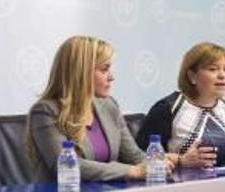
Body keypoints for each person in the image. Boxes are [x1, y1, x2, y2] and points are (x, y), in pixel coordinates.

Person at [25, 35, 172, 181]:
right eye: (104, 69)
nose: (111, 77)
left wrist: (155, 164)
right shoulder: (45, 112)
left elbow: (133, 155)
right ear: (81, 73)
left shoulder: (109, 106)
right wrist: (131, 171)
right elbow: (66, 166)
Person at [136, 42, 225, 168]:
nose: (222, 75)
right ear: (192, 76)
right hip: (179, 185)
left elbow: (218, 159)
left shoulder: (223, 106)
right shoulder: (168, 108)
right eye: (213, 69)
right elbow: (139, 156)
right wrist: (181, 161)